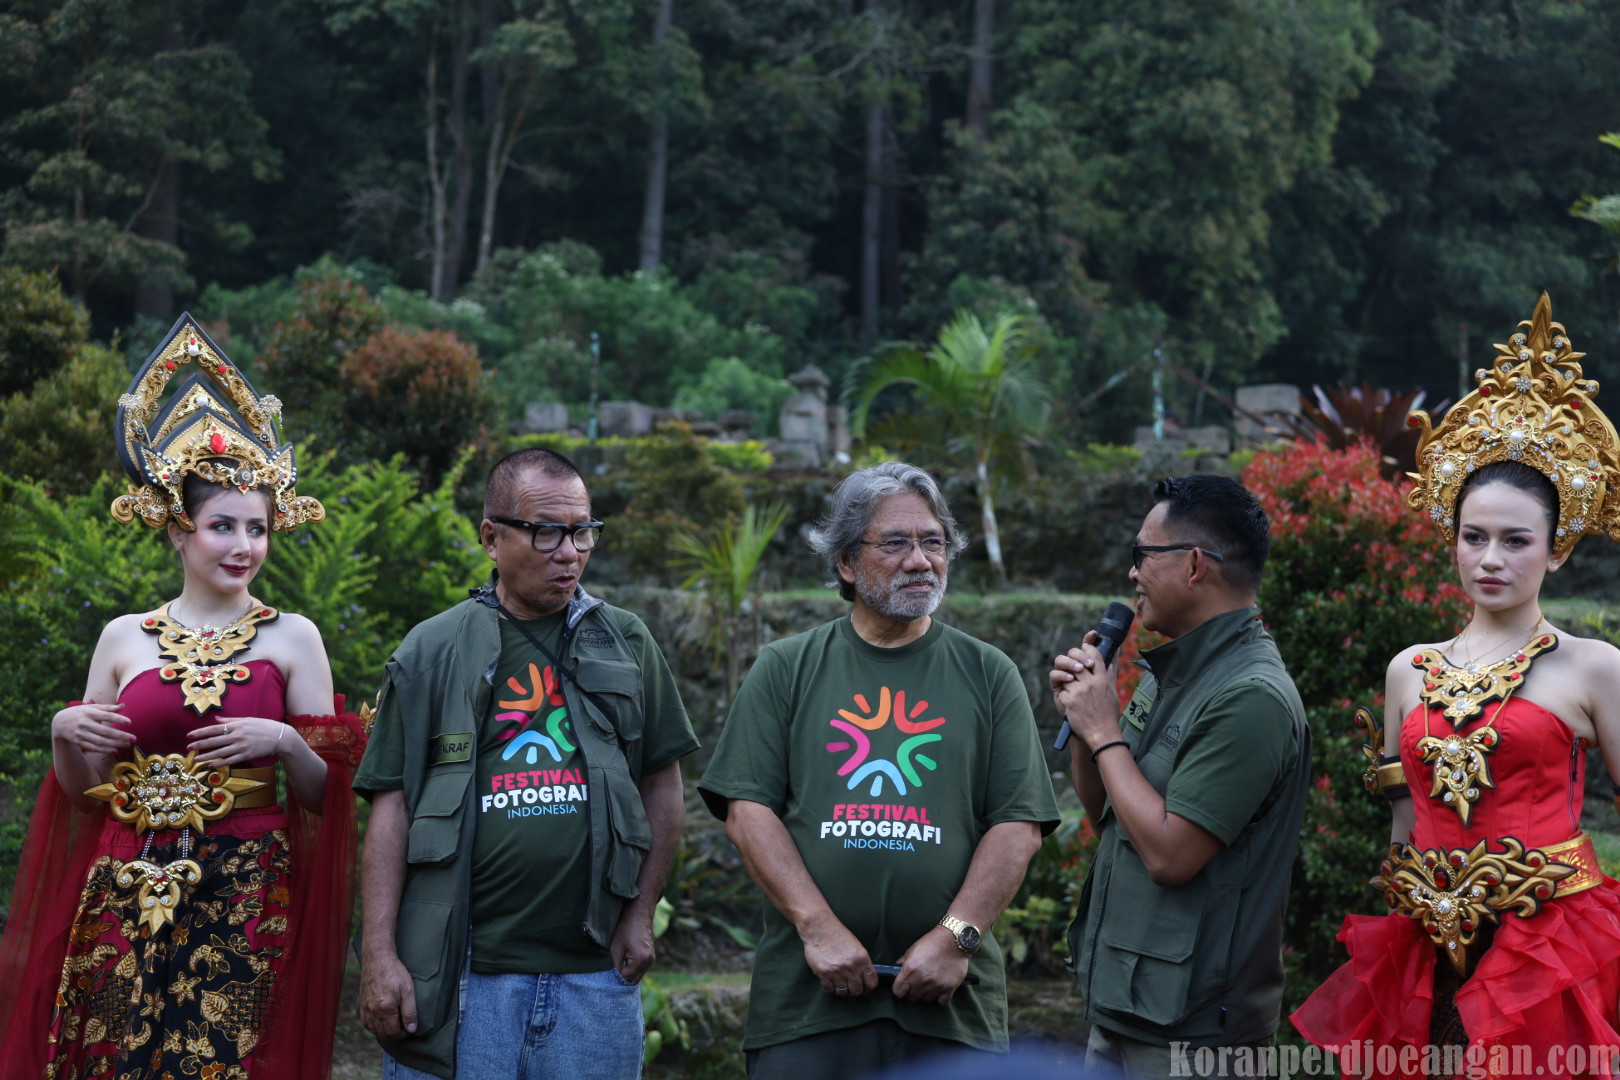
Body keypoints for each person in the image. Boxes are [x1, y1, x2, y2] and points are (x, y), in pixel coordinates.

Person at [0, 316, 367, 1080]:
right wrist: (65, 731)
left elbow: (329, 799)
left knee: (224, 1063)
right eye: (222, 526)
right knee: (108, 1060)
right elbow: (83, 794)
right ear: (177, 530)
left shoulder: (293, 637)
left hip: (247, 886)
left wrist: (287, 743)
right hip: (124, 879)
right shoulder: (123, 638)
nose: (244, 546)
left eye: (258, 529)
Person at [1291, 294, 1620, 1075]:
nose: (1491, 559)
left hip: (1550, 947)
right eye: (1474, 537)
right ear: (1453, 541)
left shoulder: (1593, 666)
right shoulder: (1409, 668)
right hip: (1423, 947)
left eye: (1516, 540)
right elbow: (1403, 824)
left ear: (1558, 550)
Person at [699, 460, 1060, 1079]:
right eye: (895, 542)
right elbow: (747, 811)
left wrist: (956, 939)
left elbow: (1018, 824)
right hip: (807, 1008)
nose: (921, 560)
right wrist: (818, 931)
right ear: (845, 562)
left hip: (950, 1010)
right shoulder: (786, 668)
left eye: (933, 541)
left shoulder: (988, 673)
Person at [355, 447, 698, 1080]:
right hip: (462, 975)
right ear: (491, 537)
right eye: (545, 531)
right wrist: (379, 957)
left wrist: (642, 913)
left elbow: (662, 782)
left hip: (594, 977)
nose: (569, 551)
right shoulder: (431, 650)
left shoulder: (625, 642)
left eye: (582, 532)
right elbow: (392, 807)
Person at [1050, 473, 1310, 1079]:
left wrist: (1105, 729)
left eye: (1143, 556)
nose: (1132, 574)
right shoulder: (1173, 669)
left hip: (1194, 1038)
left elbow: (1170, 856)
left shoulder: (1251, 696)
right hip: (1124, 1011)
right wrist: (1091, 724)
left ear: (1195, 565)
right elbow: (1109, 818)